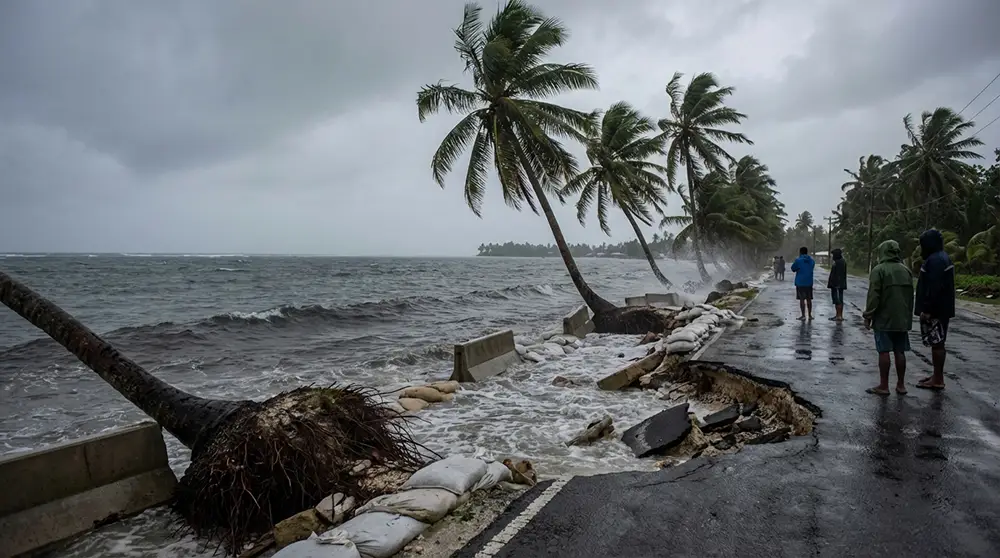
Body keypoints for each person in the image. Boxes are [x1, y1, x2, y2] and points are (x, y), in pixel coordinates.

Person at [862, 240, 914, 395]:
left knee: (884, 351)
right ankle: (901, 385)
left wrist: (868, 315)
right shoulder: (906, 271)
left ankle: (884, 386)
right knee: (900, 351)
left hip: (884, 318)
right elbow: (910, 296)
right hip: (902, 319)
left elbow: (873, 296)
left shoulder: (879, 270)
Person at [914, 229, 955, 391]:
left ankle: (938, 379)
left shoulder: (936, 260)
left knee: (937, 343)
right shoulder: (941, 257)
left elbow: (934, 287)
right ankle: (937, 375)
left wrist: (927, 308)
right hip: (941, 309)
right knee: (937, 342)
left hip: (936, 310)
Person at [791, 247, 815, 320]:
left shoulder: (798, 260)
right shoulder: (811, 260)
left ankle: (803, 316)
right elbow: (811, 268)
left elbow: (793, 268)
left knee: (802, 299)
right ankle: (810, 315)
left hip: (800, 282)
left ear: (800, 252)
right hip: (809, 282)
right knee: (809, 299)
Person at [827, 248, 847, 321]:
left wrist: (836, 284)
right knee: (836, 300)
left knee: (839, 300)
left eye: (833, 255)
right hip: (836, 285)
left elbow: (839, 275)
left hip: (837, 285)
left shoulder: (840, 262)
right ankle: (837, 315)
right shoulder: (838, 261)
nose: (832, 256)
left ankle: (839, 316)